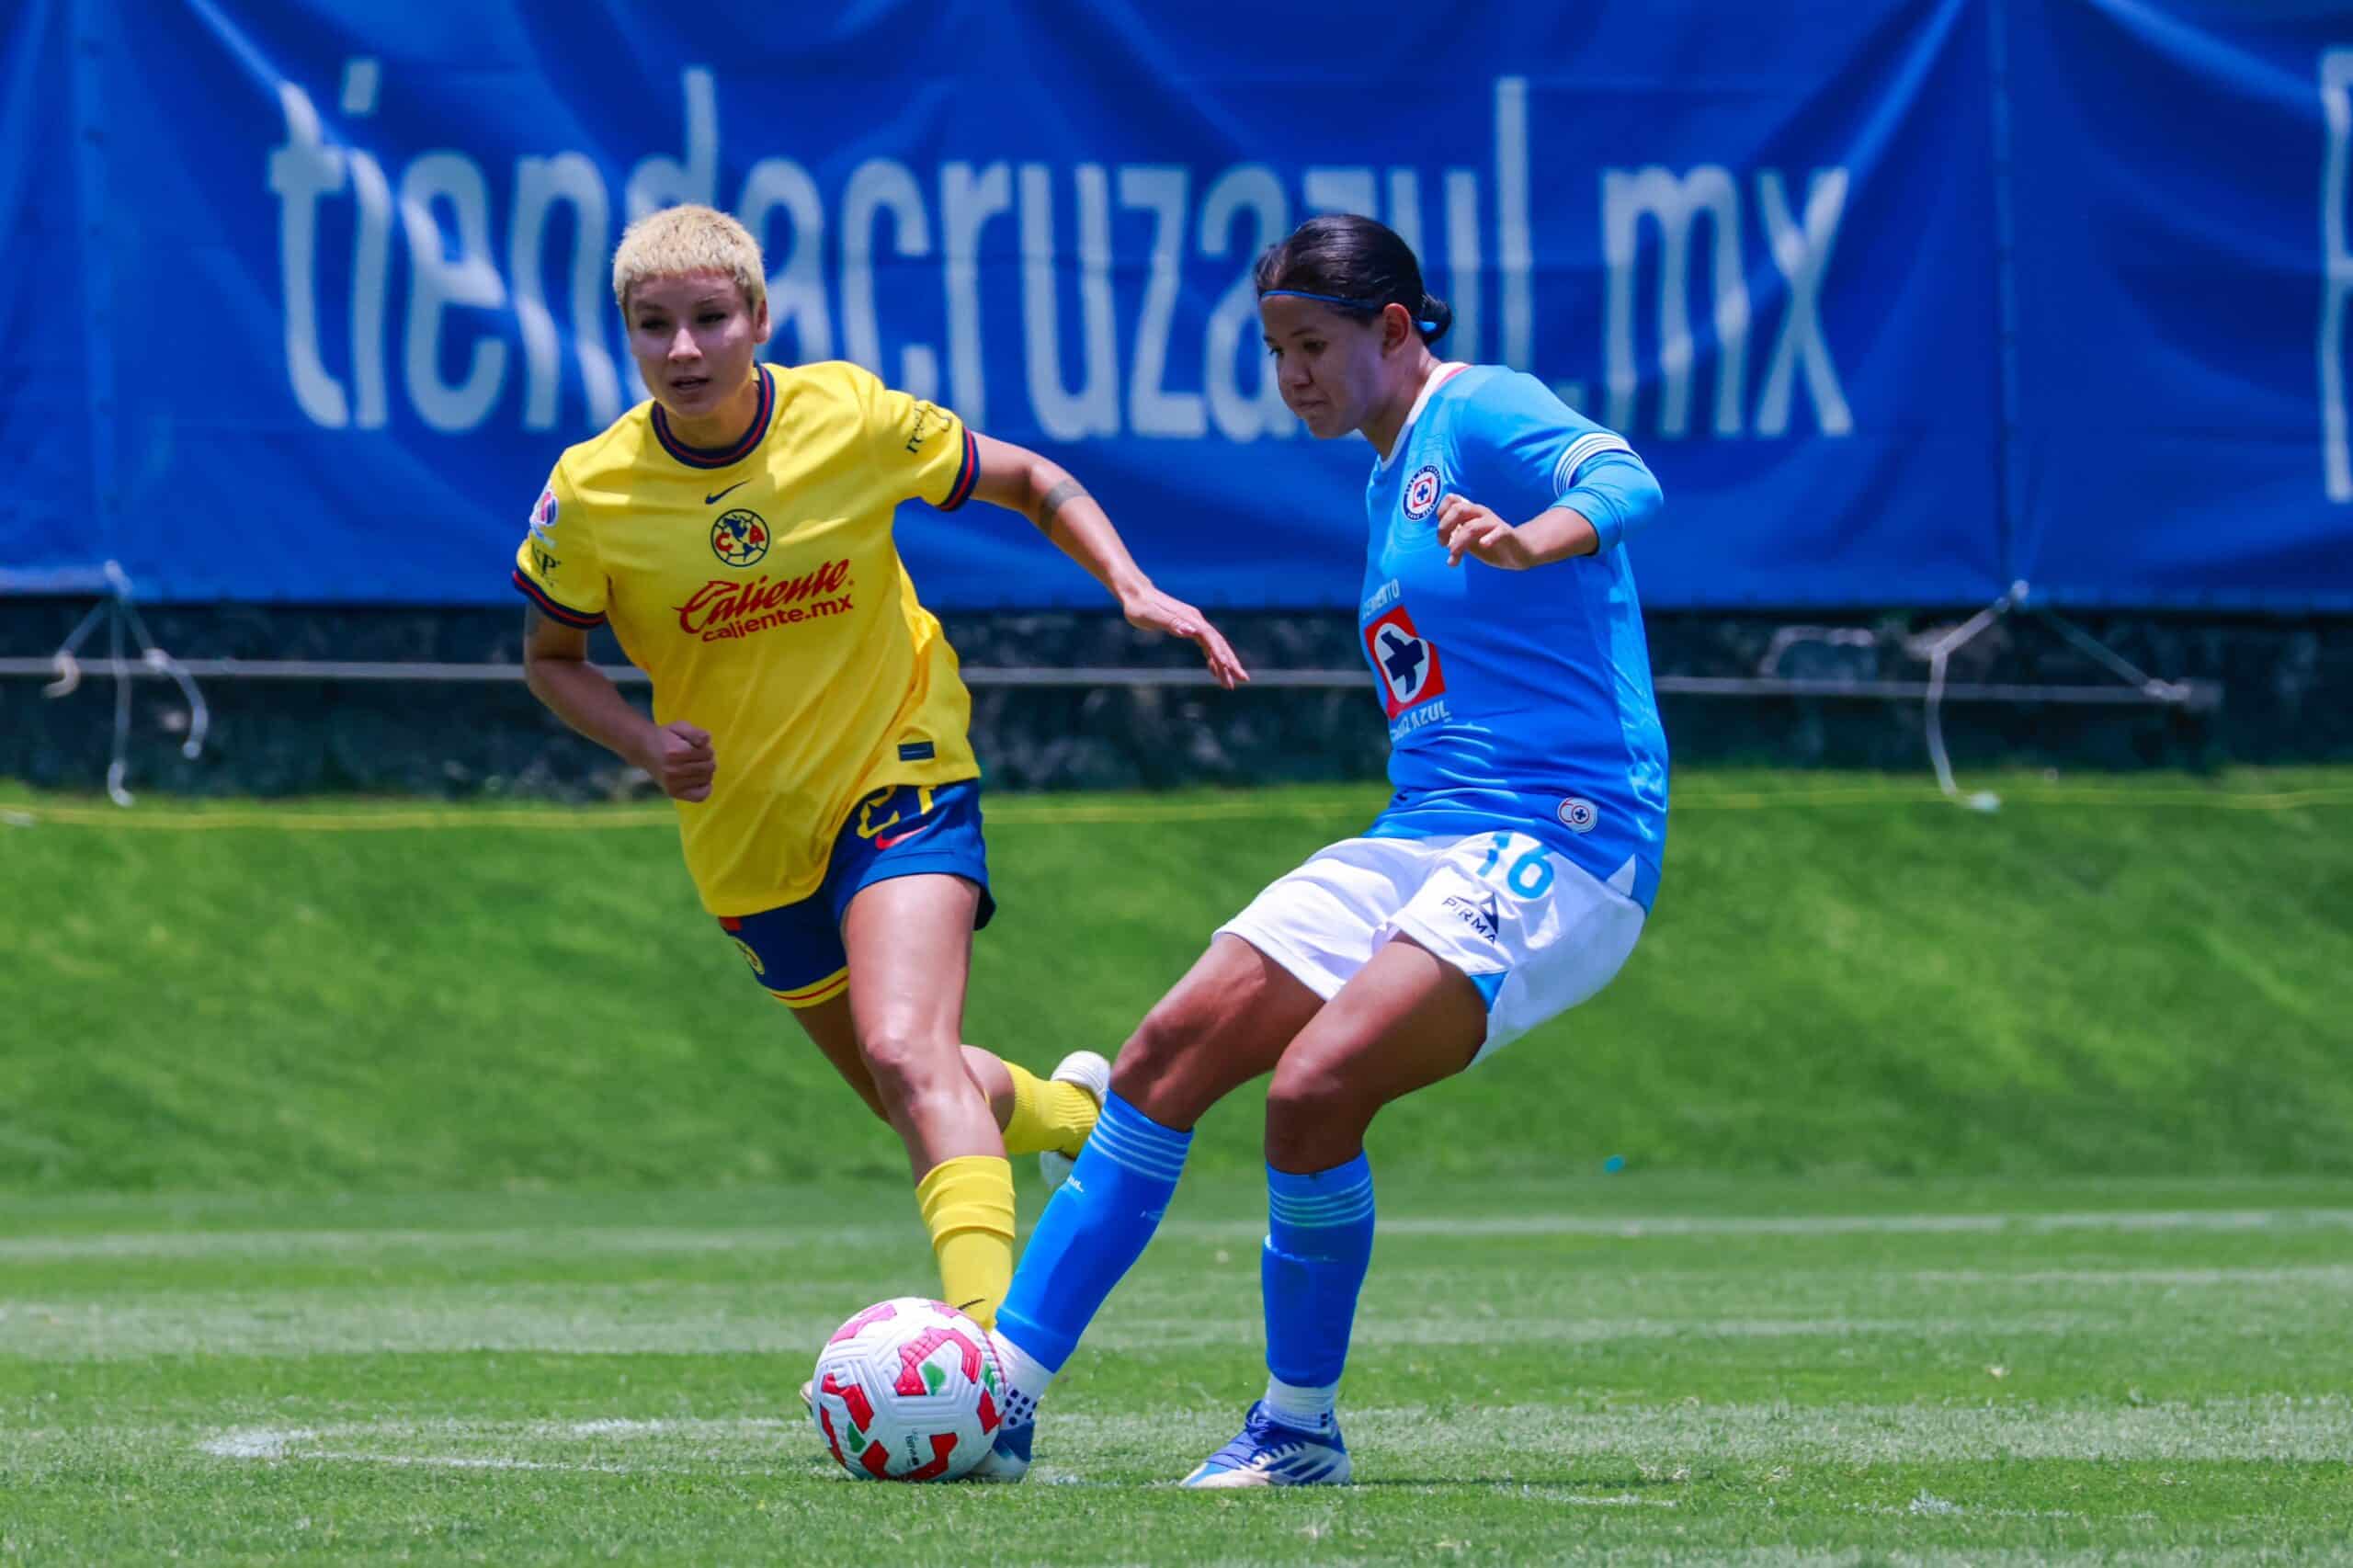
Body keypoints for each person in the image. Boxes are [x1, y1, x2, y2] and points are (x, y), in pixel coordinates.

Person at [975, 213, 1668, 1485]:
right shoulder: (1383, 471)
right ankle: (996, 1402)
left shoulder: (1480, 409)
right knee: (1162, 1056)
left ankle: (1298, 1429)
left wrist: (1535, 536)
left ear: (1394, 331)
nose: (1291, 372)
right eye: (1274, 348)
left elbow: (1622, 478)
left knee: (1311, 1090)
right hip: (1428, 834)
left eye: (1312, 344)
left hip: (1568, 839)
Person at [511, 204, 1249, 1364]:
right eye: (656, 327)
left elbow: (1026, 476)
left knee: (909, 1050)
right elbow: (551, 664)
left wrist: (1129, 582)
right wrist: (645, 745)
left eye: (711, 318)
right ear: (628, 337)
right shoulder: (593, 492)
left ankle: (988, 1363)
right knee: (906, 1087)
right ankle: (1074, 1117)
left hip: (898, 767)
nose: (686, 349)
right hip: (746, 838)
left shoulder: (846, 416)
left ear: (759, 318)